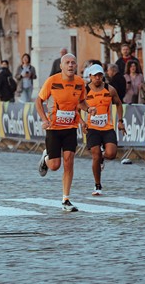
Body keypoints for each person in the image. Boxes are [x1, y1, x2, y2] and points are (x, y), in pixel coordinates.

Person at [36, 53, 97, 212]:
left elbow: (81, 102)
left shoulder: (79, 83)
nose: (70, 65)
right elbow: (38, 101)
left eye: (73, 63)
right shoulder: (52, 81)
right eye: (67, 63)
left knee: (69, 161)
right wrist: (44, 119)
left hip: (70, 127)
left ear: (76, 66)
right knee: (55, 165)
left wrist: (89, 108)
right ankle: (46, 156)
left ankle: (66, 199)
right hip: (54, 128)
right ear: (61, 66)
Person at [81, 64, 125, 196]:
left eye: (100, 75)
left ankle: (102, 159)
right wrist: (82, 123)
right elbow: (76, 107)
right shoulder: (85, 90)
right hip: (92, 128)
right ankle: (97, 185)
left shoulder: (109, 89)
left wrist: (120, 120)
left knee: (111, 154)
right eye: (95, 75)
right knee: (95, 155)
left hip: (107, 127)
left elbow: (118, 103)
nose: (98, 78)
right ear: (90, 77)